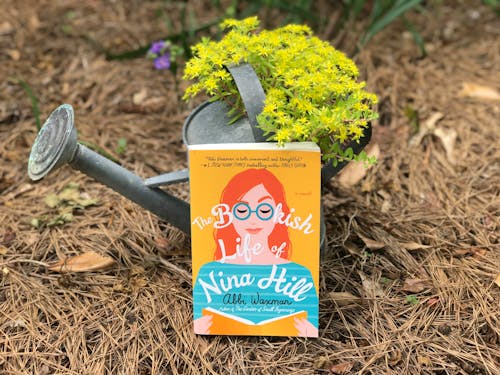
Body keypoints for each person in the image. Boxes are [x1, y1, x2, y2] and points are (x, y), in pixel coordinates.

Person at [193, 168, 318, 336]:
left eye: (264, 210)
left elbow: (310, 318)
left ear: (279, 213)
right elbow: (201, 313)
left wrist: (308, 329)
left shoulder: (300, 274)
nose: (253, 219)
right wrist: (201, 326)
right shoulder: (209, 272)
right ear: (229, 214)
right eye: (242, 210)